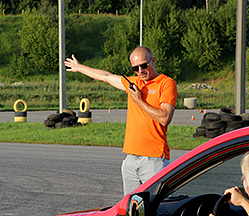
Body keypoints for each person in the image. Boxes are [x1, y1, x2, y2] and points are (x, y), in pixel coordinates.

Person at [64, 46, 177, 195]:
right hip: (131, 159)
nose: (140, 71)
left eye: (144, 65)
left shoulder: (166, 83)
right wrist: (79, 67)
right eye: (135, 68)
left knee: (160, 209)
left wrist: (139, 100)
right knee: (131, 211)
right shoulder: (134, 83)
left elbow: (165, 118)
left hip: (154, 159)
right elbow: (106, 76)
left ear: (153, 61)